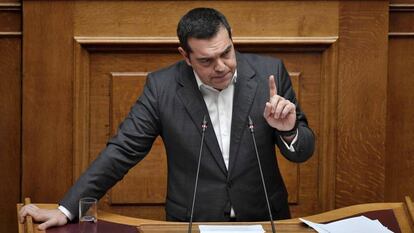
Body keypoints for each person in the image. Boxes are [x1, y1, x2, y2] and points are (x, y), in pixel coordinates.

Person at [19, 7, 315, 230]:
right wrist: (66, 208)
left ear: (232, 41)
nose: (222, 67)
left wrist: (289, 131)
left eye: (226, 53)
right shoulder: (163, 89)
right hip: (189, 224)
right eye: (206, 61)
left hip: (266, 221)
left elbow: (303, 151)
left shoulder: (268, 74)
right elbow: (123, 150)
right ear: (185, 57)